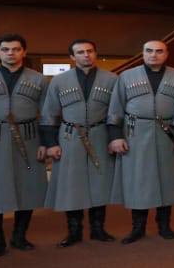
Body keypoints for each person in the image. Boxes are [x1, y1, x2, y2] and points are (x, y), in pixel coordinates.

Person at [0, 34, 48, 258]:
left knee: (28, 187)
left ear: (24, 52)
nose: (10, 53)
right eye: (5, 49)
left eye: (16, 49)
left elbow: (47, 114)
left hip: (29, 138)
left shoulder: (39, 80)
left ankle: (19, 237)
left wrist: (46, 143)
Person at [41, 39, 119, 247]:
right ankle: (74, 231)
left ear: (95, 53)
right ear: (72, 57)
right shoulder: (59, 81)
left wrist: (114, 138)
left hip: (100, 135)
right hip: (69, 137)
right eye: (80, 52)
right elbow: (49, 114)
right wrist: (51, 143)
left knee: (100, 183)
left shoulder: (112, 79)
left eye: (90, 51)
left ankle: (98, 229)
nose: (86, 55)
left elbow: (116, 112)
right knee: (71, 185)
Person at [107, 40, 174, 244]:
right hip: (135, 134)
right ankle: (138, 227)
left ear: (166, 54)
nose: (154, 55)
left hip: (168, 134)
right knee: (138, 181)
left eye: (159, 51)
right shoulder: (126, 76)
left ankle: (164, 225)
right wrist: (116, 136)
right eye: (149, 51)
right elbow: (116, 108)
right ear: (142, 53)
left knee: (167, 180)